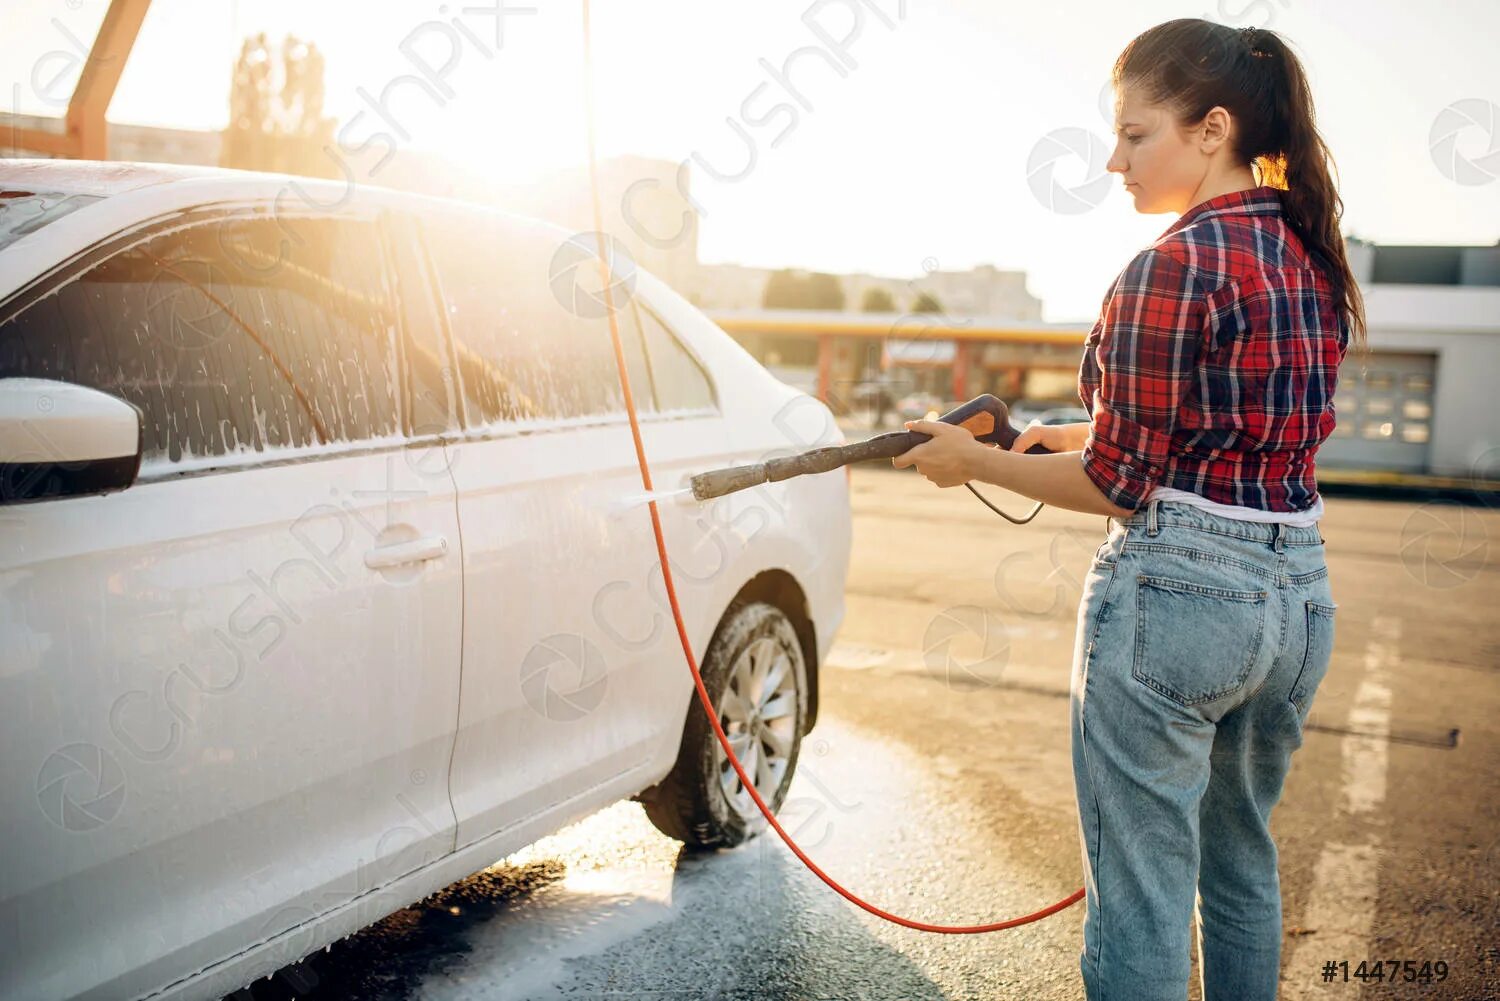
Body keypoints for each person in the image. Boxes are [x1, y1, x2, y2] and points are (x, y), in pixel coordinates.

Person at [892, 18, 1363, 1001]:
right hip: (1298, 598)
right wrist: (1048, 436)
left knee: (1142, 895)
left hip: (1181, 600)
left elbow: (1121, 482)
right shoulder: (1311, 255)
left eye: (1134, 134)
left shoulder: (1170, 264)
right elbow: (1203, 426)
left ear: (1212, 129)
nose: (1113, 160)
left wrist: (971, 460)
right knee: (1241, 866)